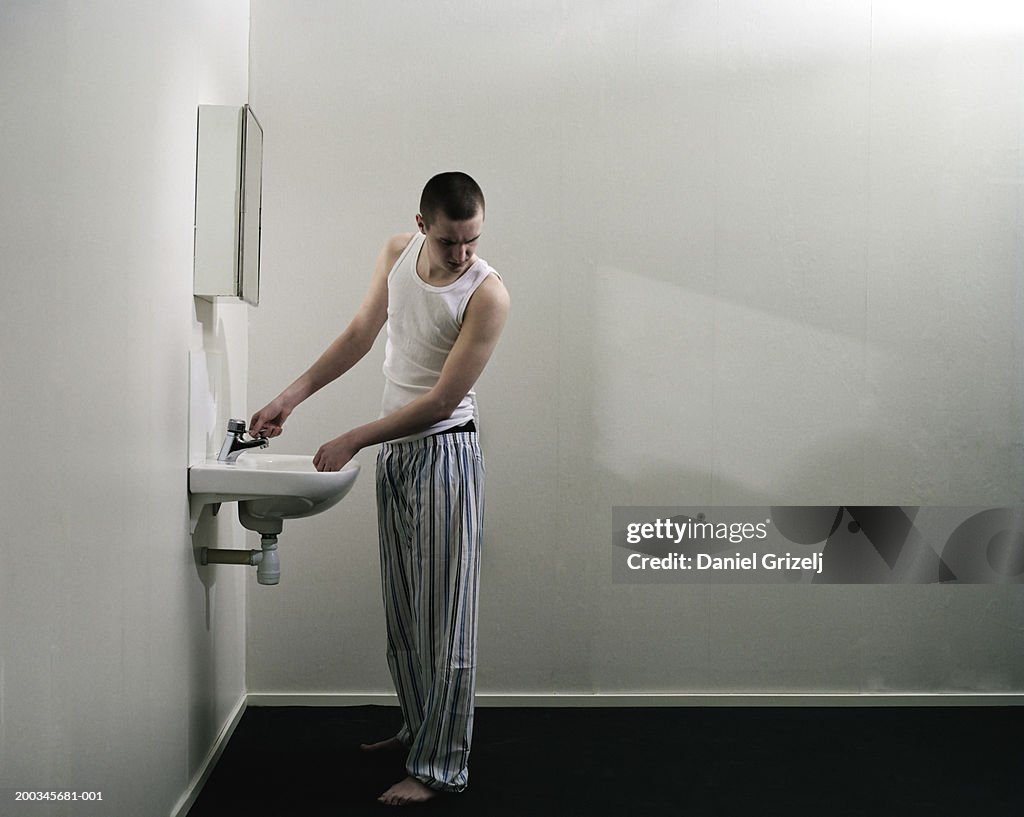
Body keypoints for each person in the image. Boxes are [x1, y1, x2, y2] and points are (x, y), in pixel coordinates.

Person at [249, 172, 509, 806]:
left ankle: (440, 765)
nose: (463, 254)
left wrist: (354, 437)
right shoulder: (396, 254)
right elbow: (360, 335)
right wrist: (290, 396)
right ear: (422, 226)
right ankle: (418, 729)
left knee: (444, 615)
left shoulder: (488, 294)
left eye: (472, 240)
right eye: (451, 241)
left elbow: (445, 399)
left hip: (444, 453)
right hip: (397, 450)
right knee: (403, 605)